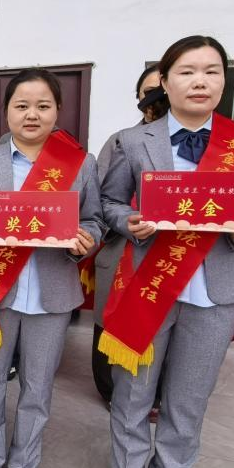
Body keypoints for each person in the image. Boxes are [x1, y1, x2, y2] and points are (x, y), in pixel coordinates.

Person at [100, 35, 234, 468]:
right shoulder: (133, 141)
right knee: (134, 394)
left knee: (189, 399)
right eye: (187, 71)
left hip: (213, 291)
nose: (200, 82)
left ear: (224, 80)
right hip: (148, 285)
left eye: (211, 71)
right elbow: (109, 201)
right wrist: (127, 221)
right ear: (165, 80)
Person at [0, 69, 103, 468]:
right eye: (21, 105)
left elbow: (94, 220)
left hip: (51, 294)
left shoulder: (81, 164)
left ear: (58, 111)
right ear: (6, 112)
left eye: (42, 106)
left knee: (38, 388)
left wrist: (87, 240)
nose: (31, 114)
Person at [91, 67, 166, 406]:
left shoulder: (209, 144)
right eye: (150, 91)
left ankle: (159, 394)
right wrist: (126, 220)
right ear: (138, 98)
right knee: (113, 320)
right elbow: (102, 198)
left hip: (183, 253)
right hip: (127, 248)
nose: (159, 97)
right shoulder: (123, 139)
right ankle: (111, 391)